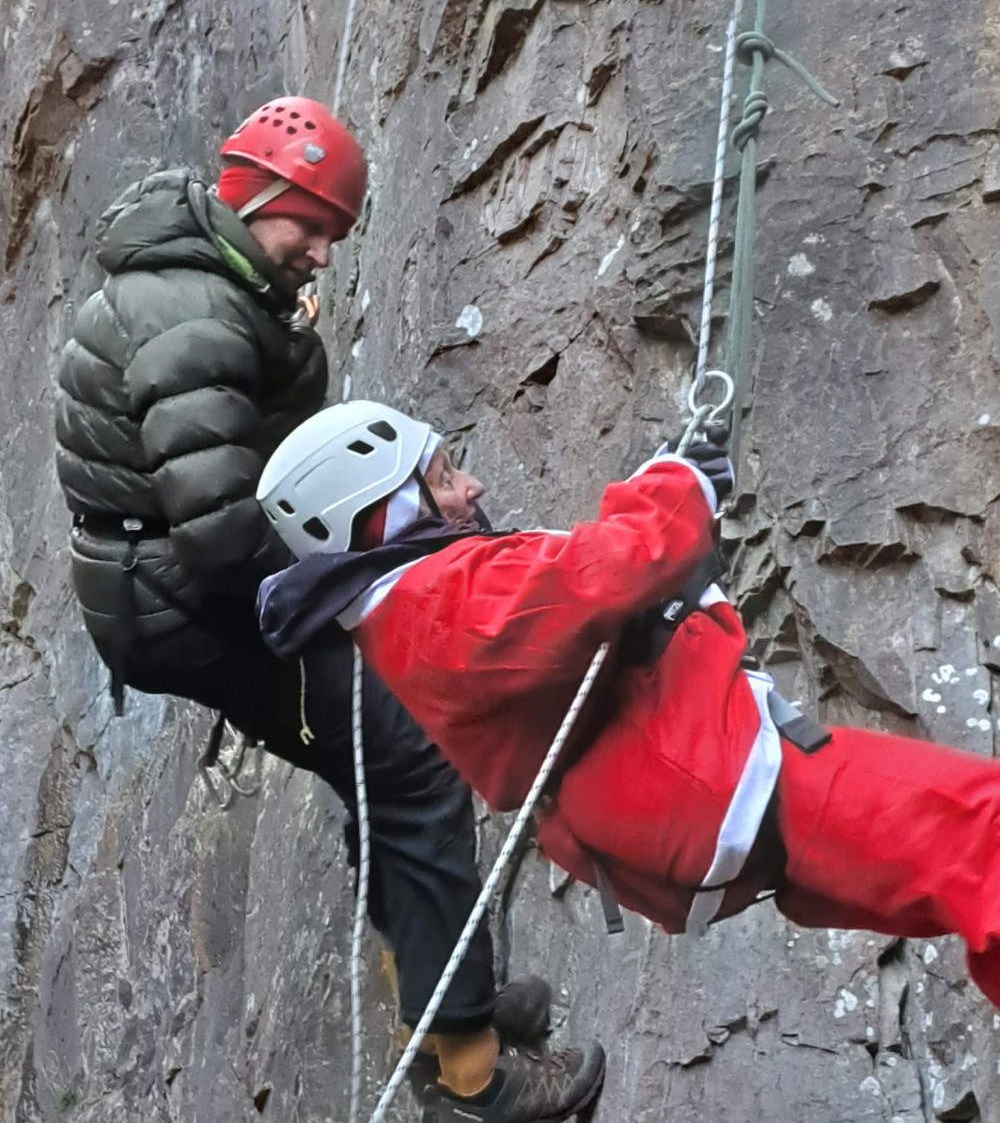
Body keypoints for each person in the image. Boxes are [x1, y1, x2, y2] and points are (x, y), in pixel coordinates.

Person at [52, 100, 564, 1108]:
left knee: (378, 752)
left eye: (333, 234)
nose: (323, 253)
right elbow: (215, 531)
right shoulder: (192, 312)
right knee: (408, 758)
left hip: (163, 587)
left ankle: (436, 994)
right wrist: (370, 571)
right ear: (263, 198)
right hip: (184, 598)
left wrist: (280, 336)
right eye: (313, 228)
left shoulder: (216, 283)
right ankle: (465, 1071)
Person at [256, 399, 1000, 1049]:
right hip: (722, 778)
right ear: (381, 509)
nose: (470, 487)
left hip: (707, 792)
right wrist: (680, 485)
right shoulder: (439, 603)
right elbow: (595, 574)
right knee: (983, 837)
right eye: (445, 475)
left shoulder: (409, 610)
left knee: (965, 884)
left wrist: (670, 479)